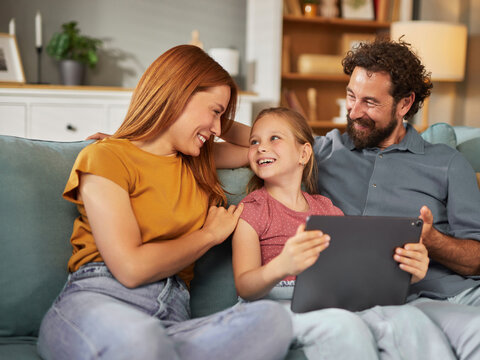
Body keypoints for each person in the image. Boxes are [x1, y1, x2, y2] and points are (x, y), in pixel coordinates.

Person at [36, 45, 293, 360]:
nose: (216, 129)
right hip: (101, 302)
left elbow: (263, 147)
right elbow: (131, 268)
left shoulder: (198, 160)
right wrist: (208, 236)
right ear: (178, 94)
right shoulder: (107, 156)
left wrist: (216, 117)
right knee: (140, 341)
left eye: (221, 117)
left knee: (274, 321)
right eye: (215, 111)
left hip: (172, 318)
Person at [313, 39, 480, 359]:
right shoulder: (324, 151)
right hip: (401, 301)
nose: (353, 111)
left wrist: (432, 239)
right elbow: (262, 137)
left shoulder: (446, 162)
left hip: (465, 292)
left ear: (404, 104)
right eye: (351, 96)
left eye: (370, 102)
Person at [232, 107, 456, 360]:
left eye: (274, 138)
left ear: (304, 153)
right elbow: (245, 287)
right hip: (276, 305)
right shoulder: (252, 210)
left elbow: (357, 273)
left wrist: (407, 274)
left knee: (409, 318)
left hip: (331, 300)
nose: (260, 147)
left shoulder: (327, 209)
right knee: (344, 327)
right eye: (254, 141)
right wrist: (282, 265)